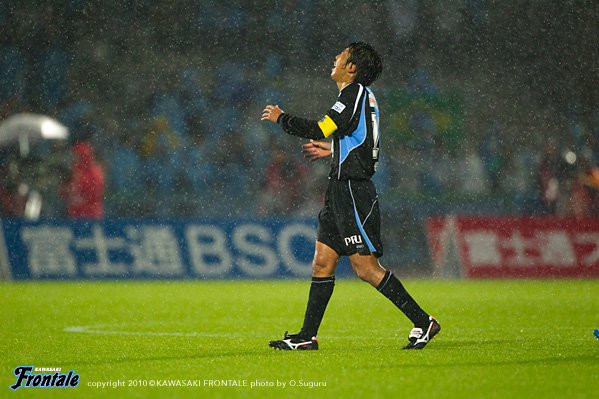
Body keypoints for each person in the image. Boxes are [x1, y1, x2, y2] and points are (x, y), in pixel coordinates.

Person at [261, 42, 440, 350]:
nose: (336, 57)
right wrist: (335, 151)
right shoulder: (359, 97)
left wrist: (282, 118)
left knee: (366, 269)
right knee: (322, 263)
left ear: (352, 67)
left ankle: (424, 322)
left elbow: (321, 128)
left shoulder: (354, 93)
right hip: (339, 189)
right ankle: (307, 337)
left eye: (342, 55)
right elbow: (365, 142)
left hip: (353, 191)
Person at [59, 142, 105, 219]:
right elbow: (64, 192)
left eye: (77, 156)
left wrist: (78, 184)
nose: (74, 159)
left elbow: (94, 193)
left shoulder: (94, 172)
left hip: (90, 214)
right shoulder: (74, 170)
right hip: (74, 214)